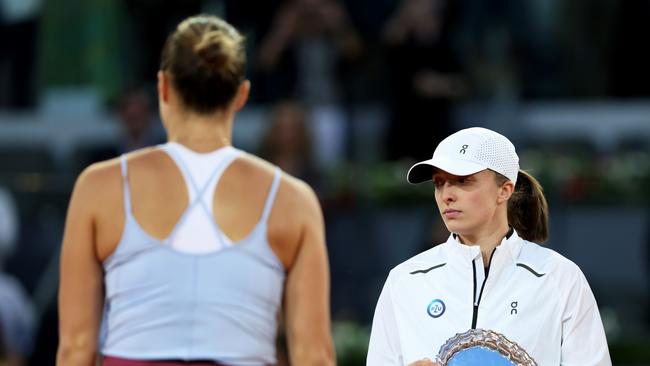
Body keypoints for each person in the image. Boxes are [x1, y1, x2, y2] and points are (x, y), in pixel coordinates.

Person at [57, 14, 335, 366]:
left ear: (163, 87)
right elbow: (314, 355)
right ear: (241, 94)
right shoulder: (293, 199)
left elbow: (76, 346)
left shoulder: (99, 186)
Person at [366, 127, 611, 365]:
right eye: (439, 183)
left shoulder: (559, 277)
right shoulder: (405, 280)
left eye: (462, 180)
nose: (446, 195)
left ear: (504, 190)